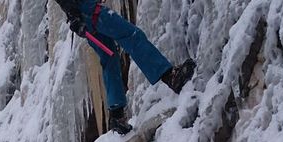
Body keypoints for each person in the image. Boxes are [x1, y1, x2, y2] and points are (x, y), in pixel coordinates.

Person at [55, 0, 196, 134]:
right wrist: (73, 15)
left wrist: (74, 16)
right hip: (89, 10)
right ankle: (170, 76)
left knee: (109, 58)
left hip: (85, 18)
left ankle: (116, 115)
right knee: (132, 36)